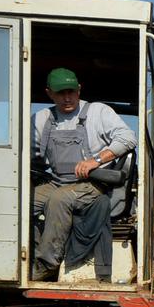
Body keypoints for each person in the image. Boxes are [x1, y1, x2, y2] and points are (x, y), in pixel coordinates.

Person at [30, 68, 136, 281]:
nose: (67, 98)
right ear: (49, 93)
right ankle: (28, 256)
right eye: (60, 93)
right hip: (57, 180)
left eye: (71, 91)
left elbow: (128, 138)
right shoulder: (42, 119)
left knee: (58, 200)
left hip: (92, 183)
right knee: (21, 202)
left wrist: (95, 161)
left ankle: (47, 264)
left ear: (79, 90)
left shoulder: (98, 112)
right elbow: (27, 152)